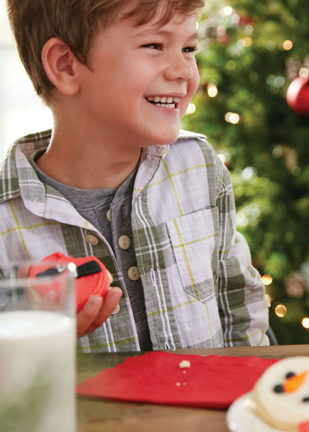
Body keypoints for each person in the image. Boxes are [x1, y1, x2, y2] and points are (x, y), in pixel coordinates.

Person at [2, 0, 270, 351]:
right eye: (154, 46)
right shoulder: (6, 223)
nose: (183, 72)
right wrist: (33, 338)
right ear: (66, 66)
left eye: (188, 49)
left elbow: (240, 308)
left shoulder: (200, 168)